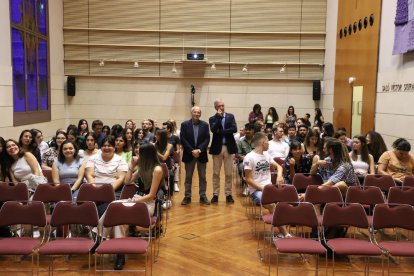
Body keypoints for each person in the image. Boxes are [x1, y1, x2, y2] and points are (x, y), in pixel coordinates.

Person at [107, 143, 163, 270]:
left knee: (116, 210)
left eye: (139, 152)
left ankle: (101, 237)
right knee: (115, 210)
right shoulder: (142, 167)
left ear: (146, 155)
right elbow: (127, 182)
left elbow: (151, 195)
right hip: (136, 200)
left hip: (146, 204)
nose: (137, 154)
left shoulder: (157, 169)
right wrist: (131, 166)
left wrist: (133, 201)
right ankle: (119, 253)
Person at [243, 132, 291, 238]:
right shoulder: (249, 157)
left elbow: (279, 166)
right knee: (272, 205)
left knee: (287, 202)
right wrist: (262, 188)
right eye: (267, 142)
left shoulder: (266, 154)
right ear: (263, 143)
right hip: (257, 190)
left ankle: (283, 230)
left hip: (270, 188)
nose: (269, 144)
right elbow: (248, 179)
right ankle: (285, 233)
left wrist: (279, 175)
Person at [180, 106, 211, 205]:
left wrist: (200, 150)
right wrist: (192, 150)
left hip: (201, 155)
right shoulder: (184, 124)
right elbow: (183, 139)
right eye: (195, 112)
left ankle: (203, 196)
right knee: (188, 177)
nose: (197, 114)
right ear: (191, 113)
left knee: (202, 177)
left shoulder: (205, 125)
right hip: (189, 154)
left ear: (200, 114)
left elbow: (207, 139)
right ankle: (187, 196)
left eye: (198, 112)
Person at [209, 99, 238, 204]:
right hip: (217, 147)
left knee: (229, 173)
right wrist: (218, 118)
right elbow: (213, 129)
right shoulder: (212, 118)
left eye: (223, 105)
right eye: (219, 106)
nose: (222, 107)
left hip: (228, 147)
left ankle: (228, 194)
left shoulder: (230, 116)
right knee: (216, 173)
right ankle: (215, 195)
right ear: (216, 107)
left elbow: (234, 129)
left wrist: (221, 132)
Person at [85, 136, 128, 200]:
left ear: (114, 148)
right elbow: (89, 175)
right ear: (101, 148)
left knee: (105, 206)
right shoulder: (92, 158)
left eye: (109, 145)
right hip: (94, 188)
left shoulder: (121, 160)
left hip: (112, 190)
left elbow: (120, 179)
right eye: (104, 145)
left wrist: (106, 191)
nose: (106, 148)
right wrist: (95, 189)